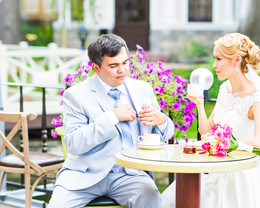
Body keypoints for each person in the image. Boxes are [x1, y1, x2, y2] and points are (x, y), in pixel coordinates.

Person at [161, 33, 260, 208]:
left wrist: (223, 144)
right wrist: (199, 105)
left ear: (236, 60)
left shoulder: (255, 97)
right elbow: (206, 131)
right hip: (217, 165)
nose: (214, 65)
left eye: (218, 59)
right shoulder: (224, 89)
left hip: (242, 169)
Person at [48, 34, 174, 208]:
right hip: (83, 176)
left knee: (151, 197)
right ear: (96, 68)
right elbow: (74, 143)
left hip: (130, 177)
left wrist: (162, 121)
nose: (122, 70)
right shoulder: (76, 95)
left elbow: (166, 134)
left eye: (125, 63)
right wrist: (112, 117)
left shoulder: (142, 89)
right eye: (113, 66)